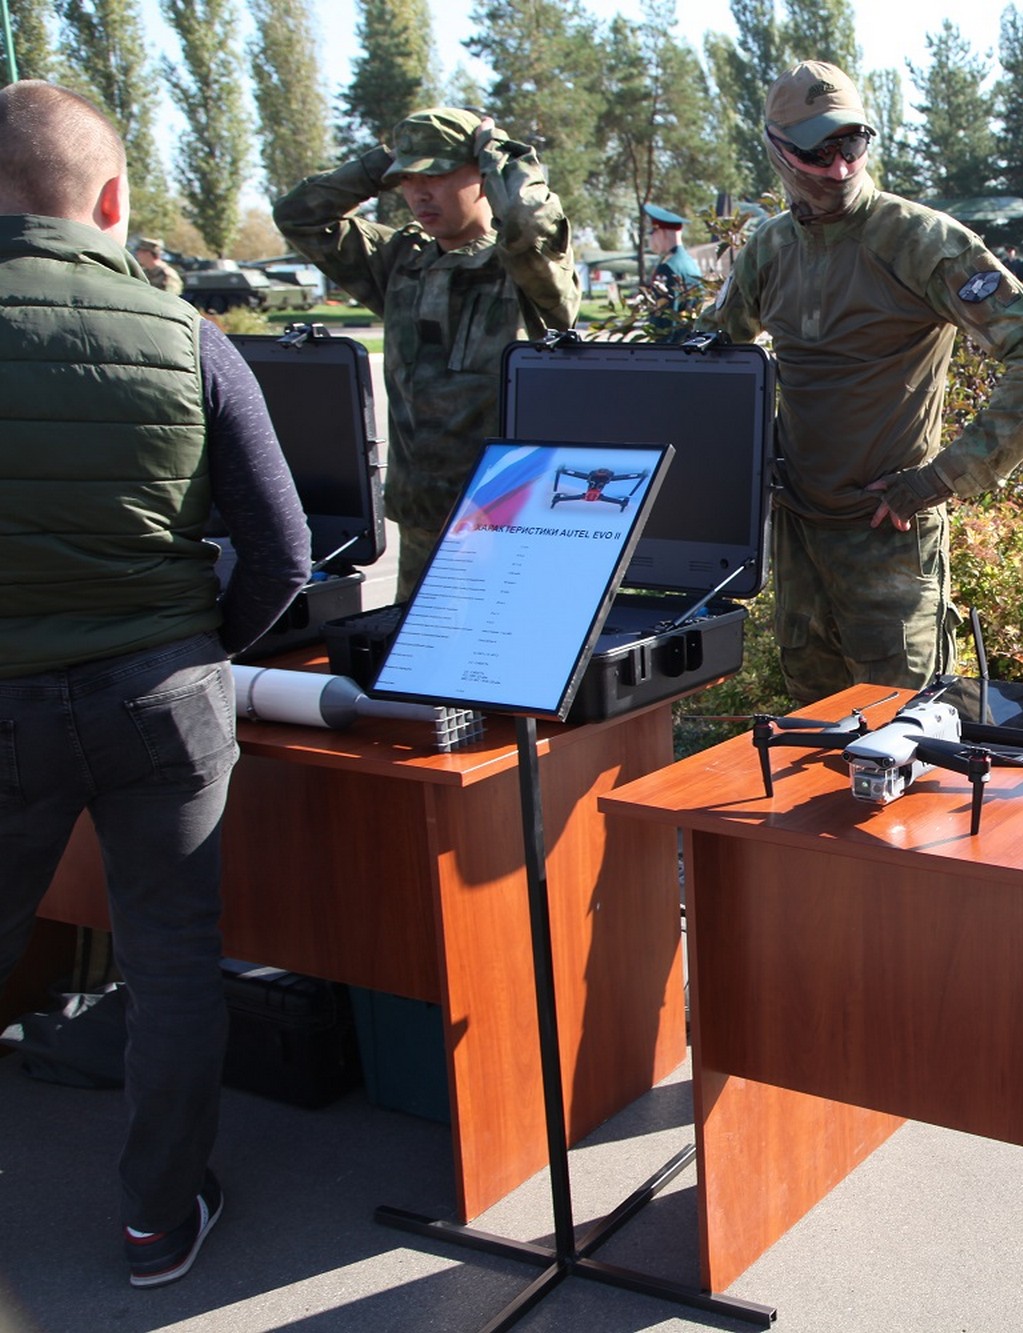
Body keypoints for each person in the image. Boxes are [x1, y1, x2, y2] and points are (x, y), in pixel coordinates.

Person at [0, 80, 311, 1289]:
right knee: (174, 960)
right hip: (161, 701)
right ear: (114, 200)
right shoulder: (190, 336)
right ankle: (155, 1216)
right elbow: (283, 550)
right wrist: (198, 641)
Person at [701, 60, 1023, 704]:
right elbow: (715, 366)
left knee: (903, 739)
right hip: (800, 535)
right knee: (811, 742)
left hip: (889, 540)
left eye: (851, 144)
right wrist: (751, 462)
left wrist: (938, 480)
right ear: (776, 150)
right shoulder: (769, 249)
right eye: (818, 152)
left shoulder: (920, 242)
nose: (840, 168)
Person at [274, 106, 579, 599]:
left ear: (480, 176)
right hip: (421, 518)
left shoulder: (526, 264)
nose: (419, 193)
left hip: (508, 519)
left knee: (497, 662)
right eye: (408, 180)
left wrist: (496, 150)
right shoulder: (401, 260)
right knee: (412, 662)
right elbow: (298, 216)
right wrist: (381, 164)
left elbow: (525, 218)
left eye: (435, 174)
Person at [642, 202, 704, 313]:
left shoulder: (667, 267)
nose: (651, 238)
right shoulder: (690, 263)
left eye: (653, 233)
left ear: (661, 233)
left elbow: (664, 318)